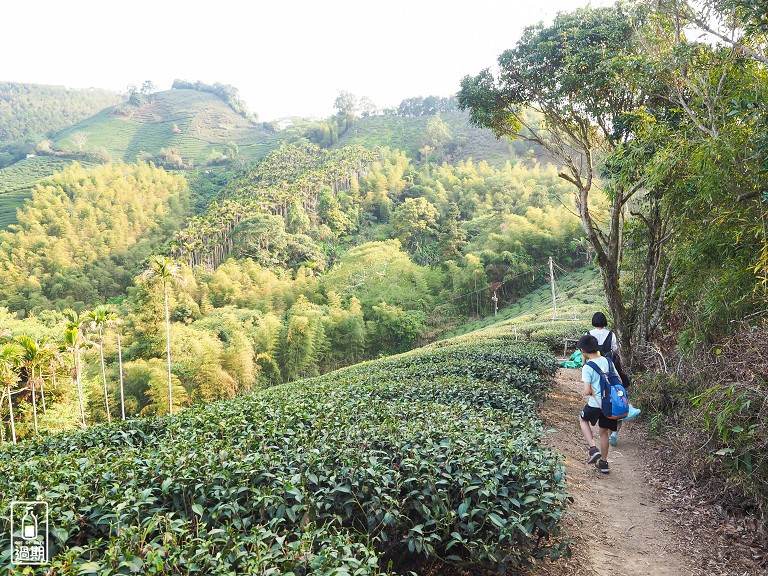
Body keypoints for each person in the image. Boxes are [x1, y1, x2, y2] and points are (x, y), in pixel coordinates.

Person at [589, 312, 629, 447]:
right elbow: (615, 350)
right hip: (610, 370)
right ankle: (614, 432)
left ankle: (602, 425)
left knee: (600, 397)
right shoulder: (611, 334)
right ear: (605, 321)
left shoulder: (589, 334)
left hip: (595, 371)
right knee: (616, 398)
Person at [577, 334, 614, 474]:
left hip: (595, 404)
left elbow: (587, 390)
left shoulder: (587, 367)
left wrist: (590, 390)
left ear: (582, 350)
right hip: (608, 404)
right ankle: (604, 463)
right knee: (604, 432)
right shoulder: (608, 361)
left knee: (582, 419)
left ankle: (593, 448)